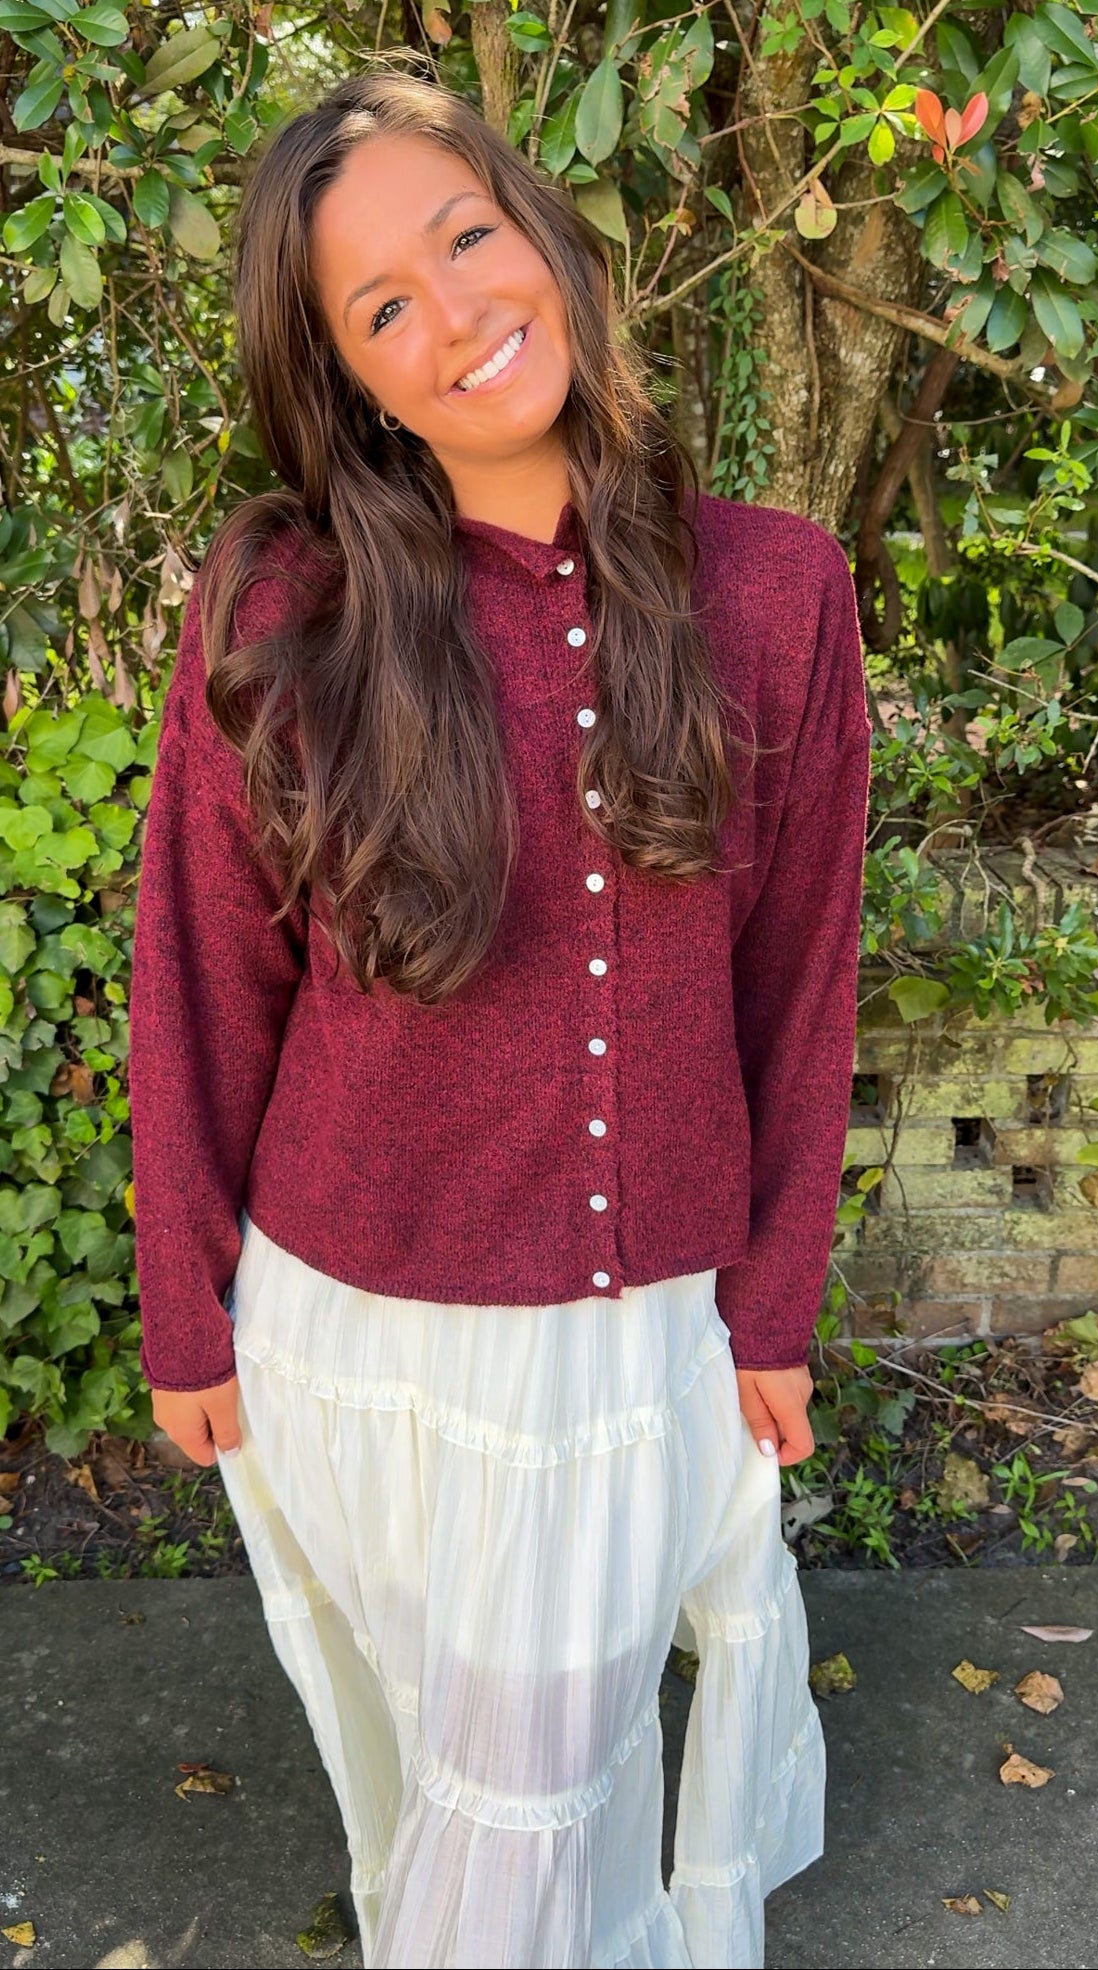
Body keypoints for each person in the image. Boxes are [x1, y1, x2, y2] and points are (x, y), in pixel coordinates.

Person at [128, 58, 871, 1970]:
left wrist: (778, 1298)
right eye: (384, 305)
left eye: (468, 235)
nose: (457, 314)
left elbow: (802, 979)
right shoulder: (287, 610)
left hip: (637, 1341)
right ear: (348, 380)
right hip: (365, 1328)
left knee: (534, 1776)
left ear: (544, 225)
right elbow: (202, 974)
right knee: (468, 1764)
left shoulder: (776, 590)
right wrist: (184, 1298)